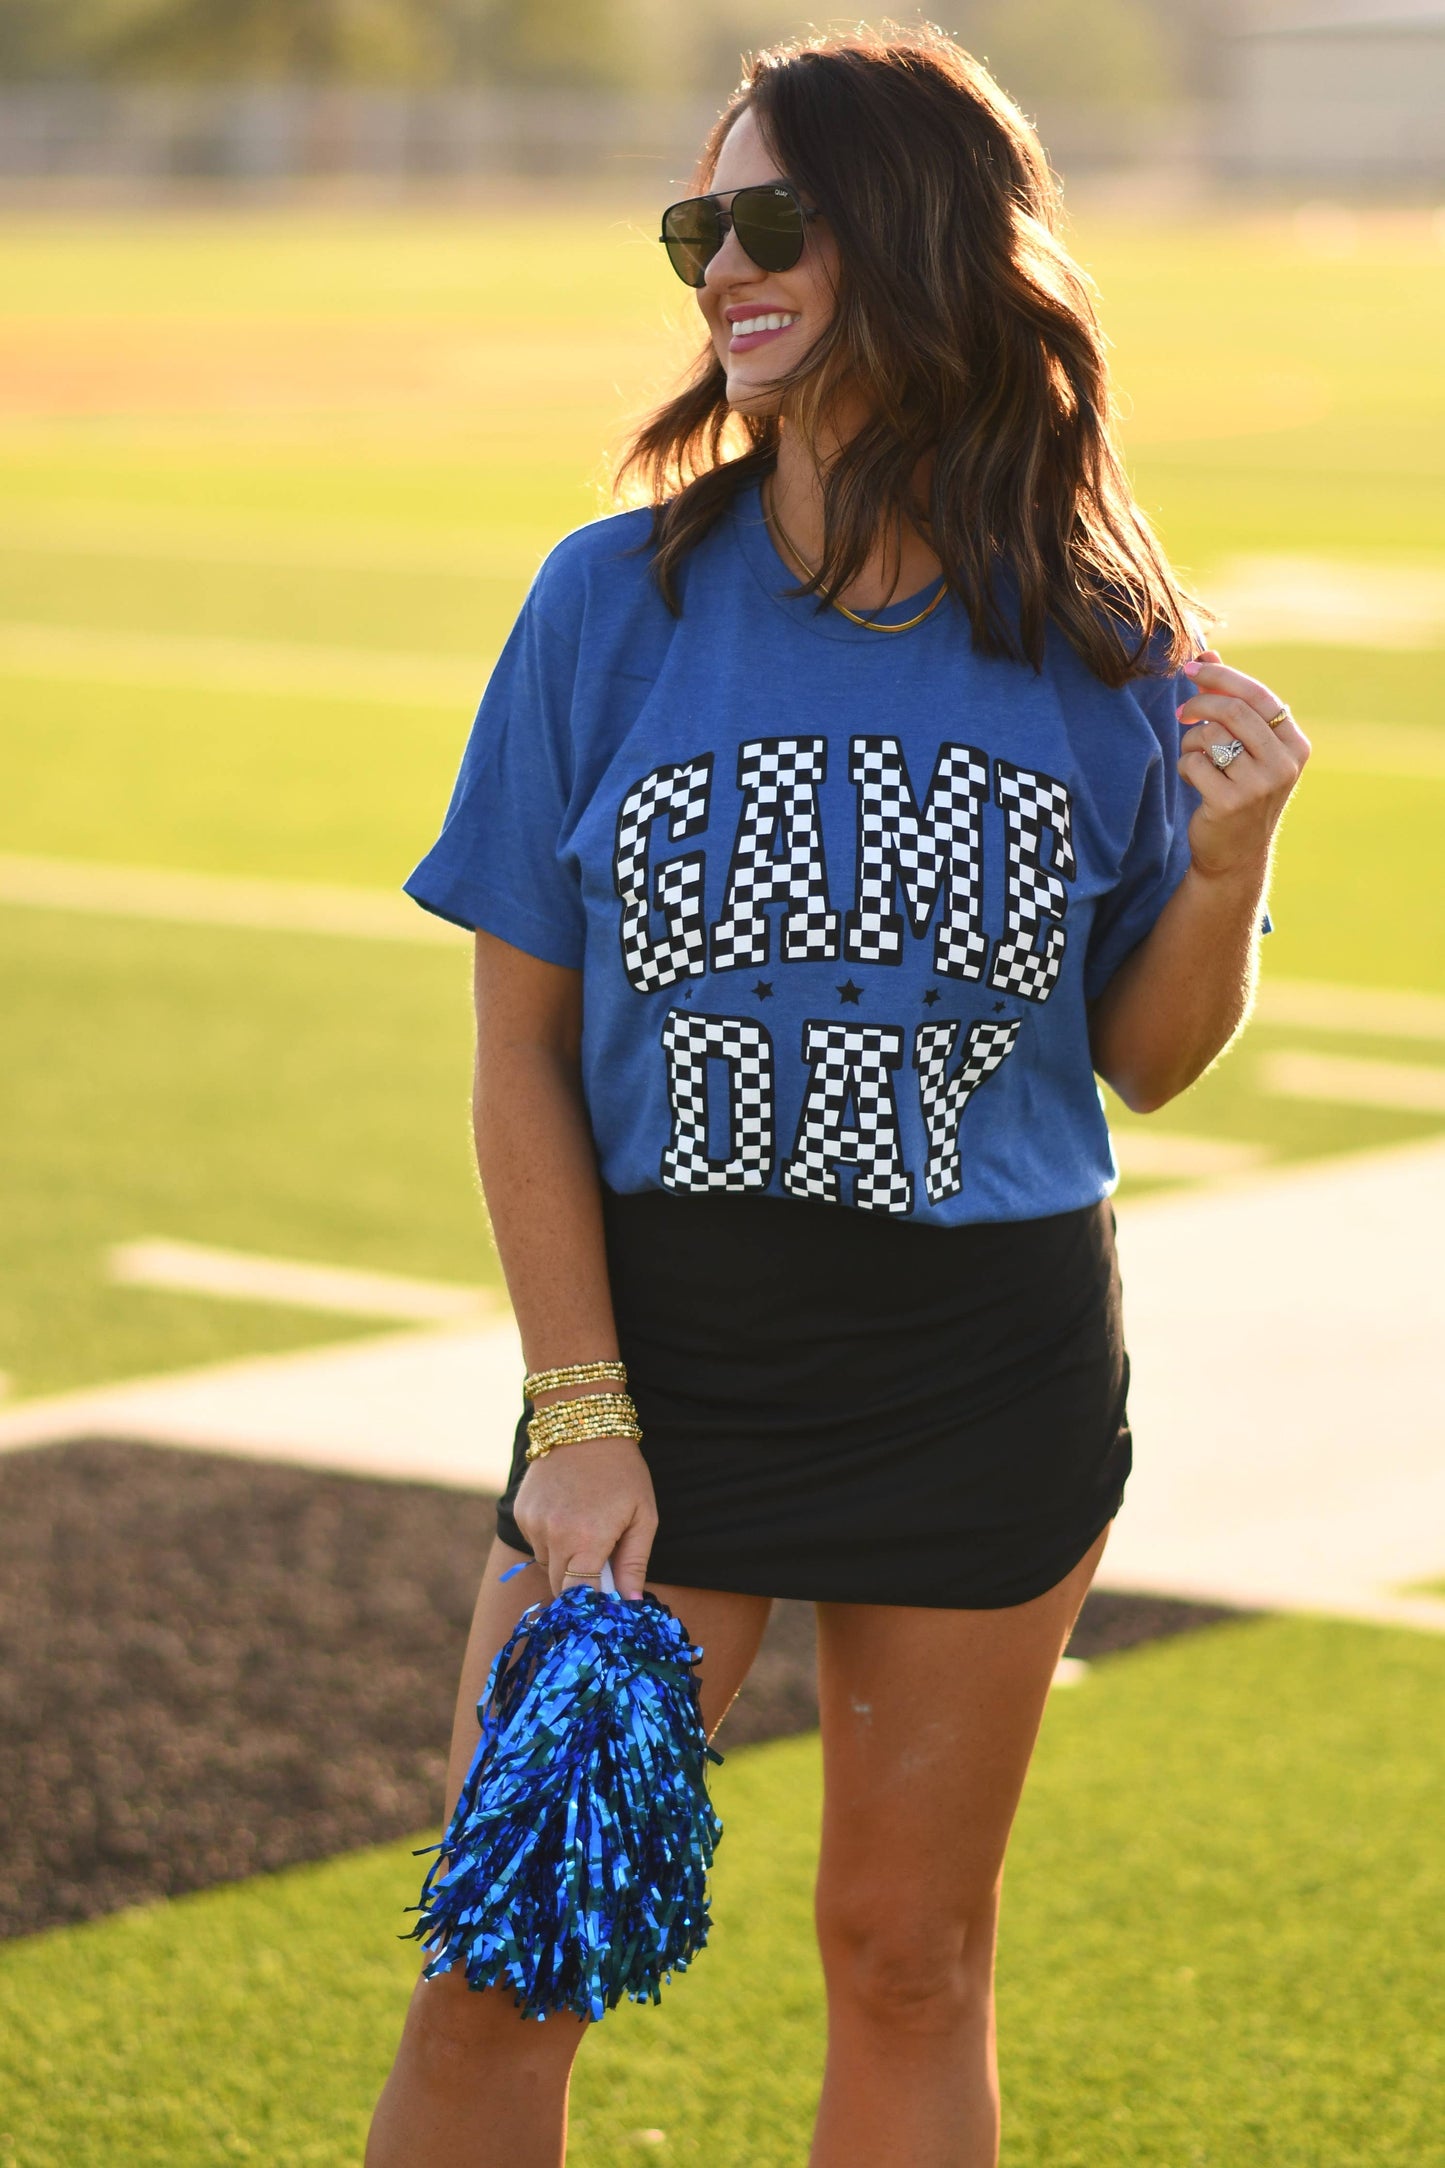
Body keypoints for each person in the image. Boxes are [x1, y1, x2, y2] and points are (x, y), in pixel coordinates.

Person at [366, 27, 1309, 2168]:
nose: (721, 268)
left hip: (981, 1359)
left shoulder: (1096, 635)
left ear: (920, 241)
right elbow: (517, 1048)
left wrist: (1232, 859)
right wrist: (583, 1417)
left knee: (908, 1950)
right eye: (699, 225)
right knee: (509, 1957)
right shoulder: (612, 600)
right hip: (666, 1353)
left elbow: (1144, 1059)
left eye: (770, 219)